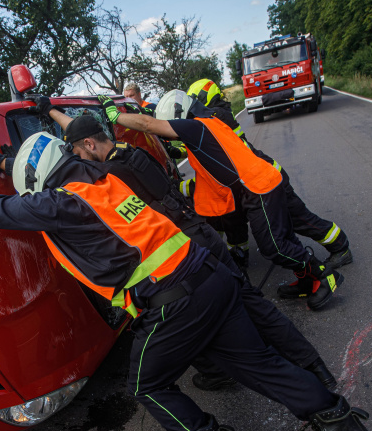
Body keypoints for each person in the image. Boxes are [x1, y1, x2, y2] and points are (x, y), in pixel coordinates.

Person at [0, 129, 372, 431]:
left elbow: (0, 212)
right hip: (208, 278)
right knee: (260, 366)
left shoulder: (63, 203)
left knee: (147, 384)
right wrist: (5, 159)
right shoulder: (96, 178)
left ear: (38, 184)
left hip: (176, 301)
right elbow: (37, 185)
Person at [21, 99, 339, 391]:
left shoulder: (108, 175)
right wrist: (51, 110)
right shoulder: (132, 155)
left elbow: (76, 162)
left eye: (75, 153)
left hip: (188, 248)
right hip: (203, 234)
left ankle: (236, 372)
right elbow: (83, 133)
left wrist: (9, 166)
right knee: (253, 304)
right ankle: (315, 367)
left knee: (190, 315)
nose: (73, 161)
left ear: (88, 146)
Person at [97, 92, 343, 311]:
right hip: (259, 185)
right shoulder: (209, 122)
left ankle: (323, 276)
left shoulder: (195, 126)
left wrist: (113, 114)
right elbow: (209, 158)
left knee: (274, 247)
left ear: (179, 116)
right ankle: (306, 281)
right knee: (283, 240)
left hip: (258, 188)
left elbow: (148, 125)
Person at [185, 79, 354, 282]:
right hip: (259, 175)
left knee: (298, 219)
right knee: (266, 220)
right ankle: (302, 269)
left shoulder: (216, 117)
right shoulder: (220, 115)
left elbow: (198, 136)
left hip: (268, 178)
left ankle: (340, 248)